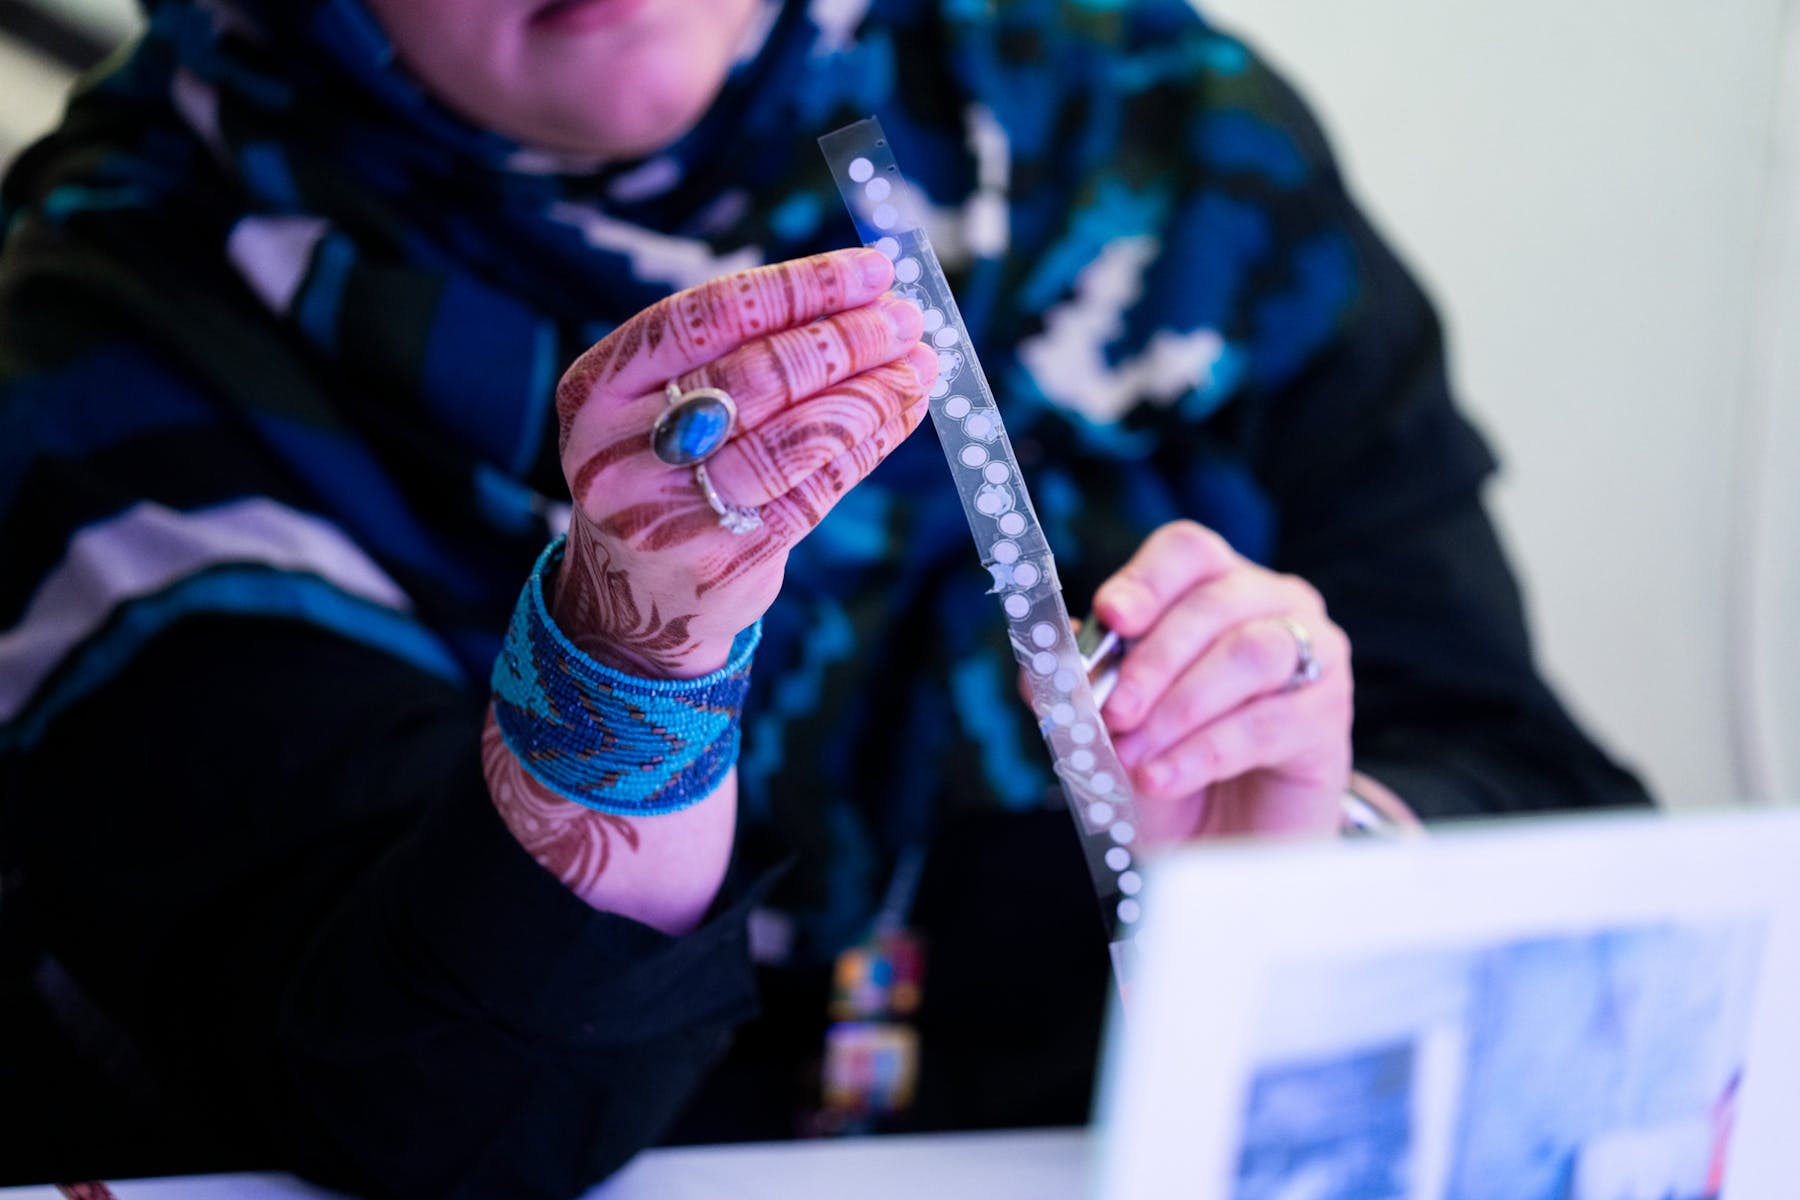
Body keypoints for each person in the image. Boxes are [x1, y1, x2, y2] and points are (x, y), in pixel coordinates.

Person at [0, 0, 1649, 1194]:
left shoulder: (1165, 146)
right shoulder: (107, 317)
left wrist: (1312, 865)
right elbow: (395, 1091)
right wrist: (623, 667)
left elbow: (1551, 818)